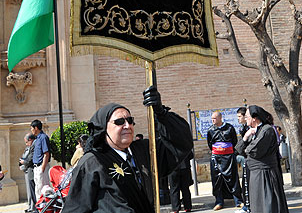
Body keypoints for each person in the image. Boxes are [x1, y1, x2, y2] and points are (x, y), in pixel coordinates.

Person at [62, 86, 193, 213]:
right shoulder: (92, 162)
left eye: (130, 120)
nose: (127, 126)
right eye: (119, 122)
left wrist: (162, 113)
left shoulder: (146, 150)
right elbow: (76, 208)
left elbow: (182, 143)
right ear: (103, 128)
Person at [235, 105, 288, 213]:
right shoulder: (252, 131)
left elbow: (253, 151)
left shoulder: (266, 130)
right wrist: (245, 137)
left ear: (254, 118)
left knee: (268, 206)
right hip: (255, 174)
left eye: (247, 116)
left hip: (265, 175)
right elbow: (239, 150)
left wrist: (246, 149)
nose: (245, 118)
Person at [207, 111, 243, 211]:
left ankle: (238, 201)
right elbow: (210, 143)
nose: (213, 121)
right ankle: (219, 201)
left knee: (233, 178)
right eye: (212, 119)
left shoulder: (229, 128)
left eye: (214, 118)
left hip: (229, 157)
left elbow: (234, 141)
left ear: (220, 118)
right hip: (216, 158)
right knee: (217, 180)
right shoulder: (210, 130)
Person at [30, 120, 50, 199]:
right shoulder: (37, 138)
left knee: (43, 189)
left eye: (31, 128)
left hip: (41, 167)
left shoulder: (43, 138)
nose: (31, 130)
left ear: (36, 128)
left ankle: (44, 209)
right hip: (36, 167)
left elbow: (46, 154)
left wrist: (42, 168)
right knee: (38, 189)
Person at [19, 133, 36, 213]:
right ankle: (30, 206)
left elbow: (30, 160)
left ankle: (33, 207)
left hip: (31, 170)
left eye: (26, 142)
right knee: (29, 190)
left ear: (31, 140)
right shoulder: (27, 148)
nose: (26, 144)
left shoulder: (33, 147)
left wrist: (24, 162)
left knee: (31, 190)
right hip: (26, 170)